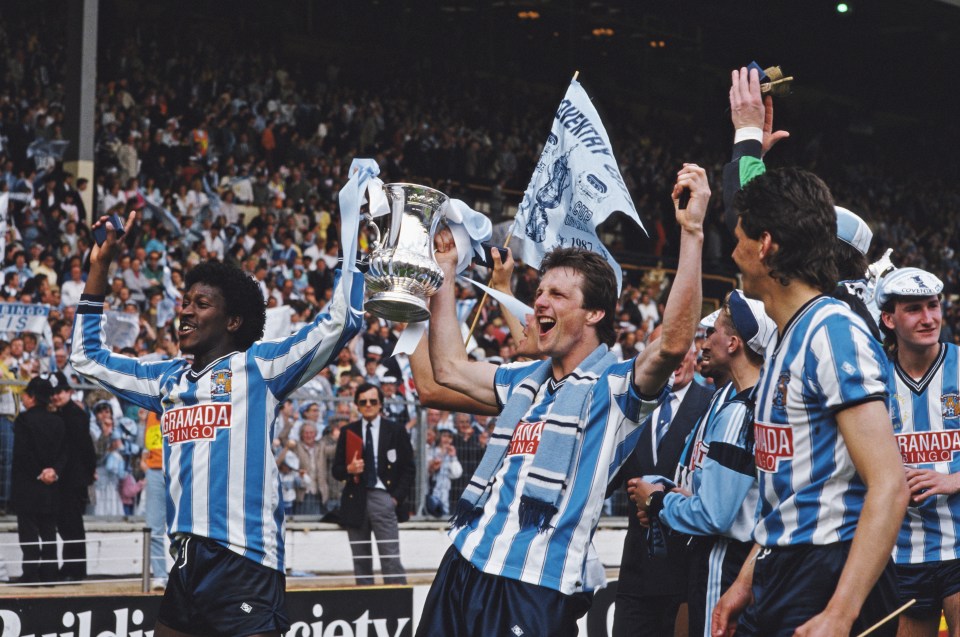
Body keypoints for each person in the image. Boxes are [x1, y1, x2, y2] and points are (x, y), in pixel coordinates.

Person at [417, 164, 708, 637]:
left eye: (557, 294)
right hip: (465, 560)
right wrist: (446, 274)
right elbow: (447, 368)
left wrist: (691, 233)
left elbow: (673, 342)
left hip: (535, 585)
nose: (540, 304)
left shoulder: (614, 389)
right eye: (539, 292)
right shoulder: (521, 381)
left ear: (594, 312)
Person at [70, 210, 364, 637]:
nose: (185, 312)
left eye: (200, 304)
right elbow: (87, 358)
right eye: (184, 302)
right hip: (186, 561)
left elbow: (340, 323)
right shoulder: (166, 379)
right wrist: (99, 268)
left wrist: (351, 250)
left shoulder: (259, 368)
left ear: (233, 321)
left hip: (243, 562)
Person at [712, 134, 908, 635]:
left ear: (766, 245)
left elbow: (889, 484)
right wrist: (746, 581)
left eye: (739, 238)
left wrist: (840, 614)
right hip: (783, 563)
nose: (733, 252)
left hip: (827, 570)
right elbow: (794, 492)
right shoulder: (786, 335)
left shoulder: (833, 332)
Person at [631, 290, 774, 637]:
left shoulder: (739, 411)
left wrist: (658, 499)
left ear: (734, 342)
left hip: (725, 562)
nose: (704, 341)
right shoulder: (762, 404)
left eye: (713, 333)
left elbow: (713, 515)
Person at [876, 267, 960, 637]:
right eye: (914, 309)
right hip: (903, 551)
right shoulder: (873, 378)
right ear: (889, 318)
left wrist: (952, 480)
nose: (929, 318)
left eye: (933, 306)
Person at [611, 339, 714, 637]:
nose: (674, 358)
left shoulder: (712, 404)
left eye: (681, 351)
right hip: (636, 573)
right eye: (664, 351)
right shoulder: (628, 409)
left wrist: (664, 499)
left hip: (687, 573)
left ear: (694, 354)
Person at [331, 382, 415, 585]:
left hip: (383, 497)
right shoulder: (348, 431)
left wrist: (394, 498)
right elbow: (336, 470)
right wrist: (349, 471)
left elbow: (409, 468)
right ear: (357, 405)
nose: (368, 405)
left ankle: (397, 608)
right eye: (363, 402)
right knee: (361, 560)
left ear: (380, 404)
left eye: (373, 401)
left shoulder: (395, 430)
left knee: (390, 558)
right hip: (355, 498)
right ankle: (365, 607)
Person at [12, 376, 66, 583]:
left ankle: (31, 574)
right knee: (48, 531)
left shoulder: (23, 420)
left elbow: (22, 454)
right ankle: (50, 574)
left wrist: (39, 472)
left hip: (27, 485)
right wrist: (53, 472)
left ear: (32, 397)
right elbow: (64, 453)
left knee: (29, 532)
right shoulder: (58, 421)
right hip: (51, 486)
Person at [50, 371, 97, 581]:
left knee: (72, 526)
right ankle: (70, 568)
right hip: (68, 479)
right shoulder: (64, 414)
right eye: (54, 392)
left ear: (69, 391)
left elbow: (85, 449)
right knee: (68, 526)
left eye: (60, 391)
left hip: (73, 479)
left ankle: (75, 570)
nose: (56, 396)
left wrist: (87, 473)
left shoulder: (75, 415)